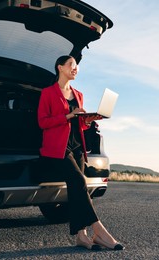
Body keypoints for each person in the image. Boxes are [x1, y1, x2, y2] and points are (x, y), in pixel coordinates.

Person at [37, 55, 124, 251]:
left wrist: (87, 120)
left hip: (77, 147)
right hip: (57, 149)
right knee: (78, 181)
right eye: (71, 65)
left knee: (76, 188)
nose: (75, 69)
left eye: (76, 66)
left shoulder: (78, 94)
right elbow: (42, 122)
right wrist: (68, 115)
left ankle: (81, 236)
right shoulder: (48, 93)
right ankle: (99, 230)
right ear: (60, 67)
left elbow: (79, 126)